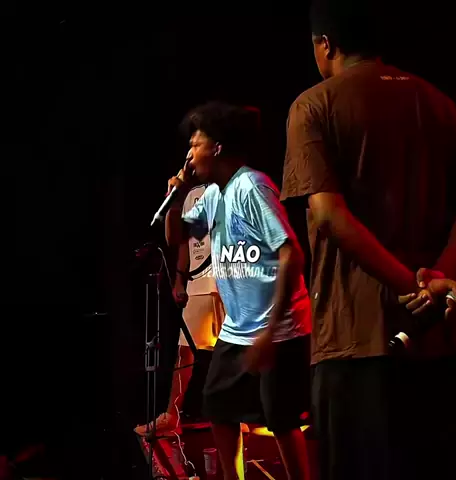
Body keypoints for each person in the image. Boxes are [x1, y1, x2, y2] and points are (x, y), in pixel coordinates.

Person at [280, 1, 456, 479]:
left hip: (356, 339)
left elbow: (329, 215)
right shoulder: (438, 102)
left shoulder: (314, 105)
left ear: (325, 44)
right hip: (440, 340)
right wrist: (441, 278)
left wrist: (410, 286)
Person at [165, 101, 312, 480]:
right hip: (238, 329)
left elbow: (291, 253)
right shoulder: (214, 194)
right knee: (218, 408)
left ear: (217, 147)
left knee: (280, 419)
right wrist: (177, 198)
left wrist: (269, 331)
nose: (189, 155)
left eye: (195, 144)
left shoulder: (252, 186)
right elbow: (178, 236)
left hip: (278, 330)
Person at [134, 185, 225, 436]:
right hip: (199, 284)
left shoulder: (229, 184)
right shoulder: (190, 194)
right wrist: (179, 280)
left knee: (236, 352)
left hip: (231, 283)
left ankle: (244, 414)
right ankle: (172, 415)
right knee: (184, 352)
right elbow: (182, 240)